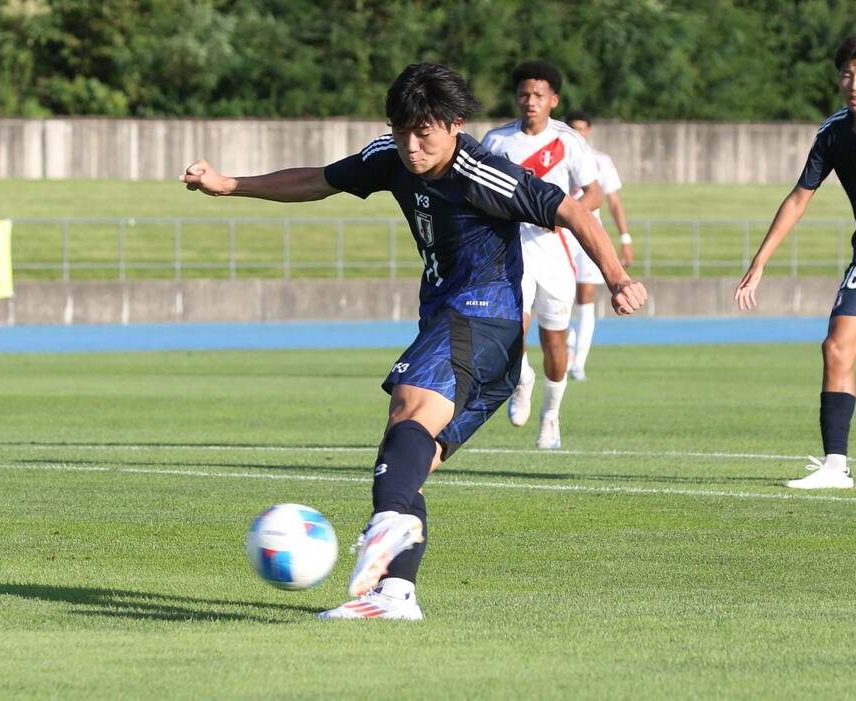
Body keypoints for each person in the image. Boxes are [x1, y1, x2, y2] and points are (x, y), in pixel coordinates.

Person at [182, 63, 646, 619]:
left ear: (453, 124)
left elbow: (570, 209)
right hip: (460, 331)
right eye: (401, 130)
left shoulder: (483, 171)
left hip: (482, 318)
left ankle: (386, 527)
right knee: (406, 460)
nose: (410, 144)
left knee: (406, 412)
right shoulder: (389, 155)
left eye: (423, 132)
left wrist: (617, 278)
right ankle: (396, 595)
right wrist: (231, 185)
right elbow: (319, 181)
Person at [735, 34, 856, 490]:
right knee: (836, 347)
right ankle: (835, 467)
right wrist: (760, 261)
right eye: (847, 75)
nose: (854, 83)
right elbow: (799, 198)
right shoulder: (833, 133)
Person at [481, 60, 603, 449]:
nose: (530, 101)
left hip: (554, 253)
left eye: (538, 95)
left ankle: (551, 416)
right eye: (524, 94)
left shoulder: (568, 141)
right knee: (510, 330)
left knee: (554, 343)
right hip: (509, 250)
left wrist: (566, 217)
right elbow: (477, 189)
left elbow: (594, 192)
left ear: (554, 99)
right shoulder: (496, 142)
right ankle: (521, 379)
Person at [564, 111, 634, 380]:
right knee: (558, 296)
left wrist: (625, 238)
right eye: (573, 128)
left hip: (590, 235)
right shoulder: (558, 153)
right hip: (560, 233)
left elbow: (613, 202)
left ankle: (578, 360)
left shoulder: (601, 161)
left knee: (586, 297)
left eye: (582, 128)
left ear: (589, 131)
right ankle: (568, 343)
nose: (578, 133)